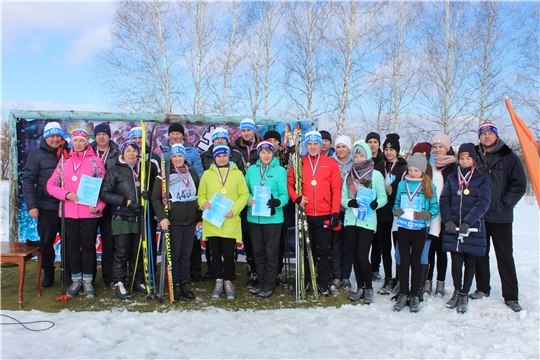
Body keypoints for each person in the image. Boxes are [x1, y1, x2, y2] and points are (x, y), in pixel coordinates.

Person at [471, 121, 527, 312]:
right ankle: (482, 288)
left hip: (501, 216)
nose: (487, 136)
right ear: (479, 136)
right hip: (479, 215)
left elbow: (519, 184)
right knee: (480, 254)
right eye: (483, 133)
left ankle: (511, 296)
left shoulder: (508, 156)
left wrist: (505, 204)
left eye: (490, 133)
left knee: (504, 256)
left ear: (496, 135)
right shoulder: (474, 155)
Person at [46, 128, 106, 298]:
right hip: (69, 212)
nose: (78, 143)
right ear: (71, 142)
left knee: (88, 247)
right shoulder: (64, 161)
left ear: (87, 143)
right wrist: (66, 195)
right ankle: (75, 280)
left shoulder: (96, 162)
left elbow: (105, 188)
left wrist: (100, 205)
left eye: (82, 140)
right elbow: (51, 185)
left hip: (89, 212)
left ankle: (88, 282)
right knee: (72, 247)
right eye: (76, 140)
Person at [287, 130, 343, 296]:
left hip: (324, 214)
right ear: (306, 146)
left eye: (315, 144)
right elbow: (290, 184)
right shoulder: (299, 163)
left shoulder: (330, 163)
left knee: (323, 251)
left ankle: (322, 284)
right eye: (309, 144)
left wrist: (335, 213)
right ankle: (305, 282)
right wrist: (296, 198)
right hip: (305, 214)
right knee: (305, 250)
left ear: (321, 145)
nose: (312, 147)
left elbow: (337, 188)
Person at [440, 143, 491, 314]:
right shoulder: (452, 177)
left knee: (470, 262)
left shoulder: (482, 178)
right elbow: (444, 199)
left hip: (472, 228)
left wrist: (468, 222)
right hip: (454, 227)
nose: (464, 161)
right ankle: (456, 290)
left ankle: (464, 293)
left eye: (468, 158)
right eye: (461, 158)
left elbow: (483, 202)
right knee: (456, 262)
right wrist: (447, 220)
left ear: (474, 160)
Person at [198, 144, 249, 299]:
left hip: (230, 221)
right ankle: (218, 280)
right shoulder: (207, 174)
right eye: (219, 156)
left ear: (229, 157)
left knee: (229, 254)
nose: (221, 158)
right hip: (213, 221)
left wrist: (234, 210)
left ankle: (228, 280)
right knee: (214, 253)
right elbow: (200, 195)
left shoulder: (238, 174)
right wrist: (203, 203)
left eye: (224, 156)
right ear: (214, 158)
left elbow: (244, 195)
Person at [151, 143, 200, 302]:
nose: (178, 159)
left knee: (186, 255)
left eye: (180, 156)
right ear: (170, 158)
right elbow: (156, 198)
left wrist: (199, 217)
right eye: (174, 156)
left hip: (190, 221)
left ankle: (184, 282)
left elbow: (198, 196)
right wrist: (162, 217)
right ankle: (175, 283)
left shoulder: (191, 173)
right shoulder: (163, 175)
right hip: (174, 222)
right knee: (175, 255)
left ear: (184, 157)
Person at [99, 140, 147, 300]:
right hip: (121, 216)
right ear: (122, 153)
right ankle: (119, 281)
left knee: (138, 250)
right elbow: (105, 193)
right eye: (128, 150)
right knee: (121, 251)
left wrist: (147, 193)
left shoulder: (144, 170)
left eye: (134, 150)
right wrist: (125, 201)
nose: (132, 154)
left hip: (139, 215)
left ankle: (137, 280)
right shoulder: (115, 170)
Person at [341, 141, 387, 304]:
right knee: (354, 255)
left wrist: (376, 204)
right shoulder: (349, 175)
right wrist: (349, 203)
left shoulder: (375, 175)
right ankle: (359, 287)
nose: (358, 158)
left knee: (362, 256)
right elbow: (343, 197)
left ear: (367, 156)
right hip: (351, 219)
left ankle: (368, 288)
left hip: (366, 220)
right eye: (356, 155)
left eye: (361, 155)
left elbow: (383, 197)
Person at [392, 154, 439, 312]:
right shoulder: (402, 185)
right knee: (403, 261)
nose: (412, 173)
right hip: (404, 227)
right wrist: (396, 210)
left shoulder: (429, 186)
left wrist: (427, 215)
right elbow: (397, 203)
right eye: (410, 170)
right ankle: (403, 293)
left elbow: (435, 207)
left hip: (419, 228)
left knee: (416, 262)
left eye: (416, 170)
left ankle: (414, 295)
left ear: (423, 171)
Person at [22, 122, 67, 287]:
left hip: (67, 206)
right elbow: (28, 181)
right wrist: (32, 205)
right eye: (51, 136)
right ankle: (48, 273)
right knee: (47, 242)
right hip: (47, 206)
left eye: (58, 136)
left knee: (69, 242)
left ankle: (67, 273)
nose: (55, 139)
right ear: (46, 137)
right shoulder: (36, 155)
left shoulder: (67, 153)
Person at [245, 141, 289, 298]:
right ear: (259, 154)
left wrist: (278, 202)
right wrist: (249, 199)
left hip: (273, 219)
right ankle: (261, 282)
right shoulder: (251, 170)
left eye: (268, 152)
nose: (265, 155)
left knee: (271, 252)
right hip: (254, 218)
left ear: (273, 153)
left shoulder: (280, 171)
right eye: (262, 152)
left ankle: (269, 285)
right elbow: (244, 191)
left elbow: (285, 194)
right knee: (258, 251)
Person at [166, 123, 205, 283]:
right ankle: (175, 281)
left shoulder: (193, 152)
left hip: (190, 214)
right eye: (172, 133)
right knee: (175, 251)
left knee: (189, 250)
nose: (175, 136)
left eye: (178, 133)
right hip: (174, 214)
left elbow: (199, 176)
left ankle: (188, 278)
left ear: (183, 136)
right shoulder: (163, 151)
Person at [424, 133, 457, 296]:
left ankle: (440, 282)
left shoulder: (453, 167)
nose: (437, 150)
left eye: (440, 147)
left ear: (447, 148)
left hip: (446, 215)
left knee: (441, 250)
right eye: (434, 147)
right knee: (429, 249)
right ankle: (428, 280)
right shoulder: (428, 166)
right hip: (430, 215)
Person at [411, 142, 444, 299]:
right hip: (410, 223)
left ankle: (422, 284)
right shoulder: (409, 175)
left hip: (427, 222)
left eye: (422, 156)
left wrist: (434, 229)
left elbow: (435, 204)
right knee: (412, 255)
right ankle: (414, 284)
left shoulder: (435, 175)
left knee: (425, 255)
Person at [376, 134, 407, 295]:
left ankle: (399, 278)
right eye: (386, 149)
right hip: (382, 213)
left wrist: (391, 190)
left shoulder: (403, 167)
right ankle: (388, 278)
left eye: (392, 150)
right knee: (385, 247)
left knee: (398, 248)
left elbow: (406, 191)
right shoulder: (380, 166)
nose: (388, 153)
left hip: (397, 214)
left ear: (397, 151)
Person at [90, 123, 120, 288]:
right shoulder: (88, 151)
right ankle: (90, 277)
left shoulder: (117, 153)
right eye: (98, 134)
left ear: (109, 136)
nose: (101, 137)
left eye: (104, 134)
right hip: (90, 202)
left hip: (109, 203)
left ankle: (109, 276)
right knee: (88, 242)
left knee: (109, 242)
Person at [233, 118, 262, 287]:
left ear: (254, 131)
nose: (246, 133)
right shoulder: (235, 148)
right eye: (243, 130)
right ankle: (252, 267)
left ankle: (259, 269)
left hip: (258, 198)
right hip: (241, 198)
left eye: (249, 130)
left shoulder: (262, 147)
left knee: (255, 236)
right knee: (246, 235)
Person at [329, 135, 354, 291]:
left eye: (344, 147)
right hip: (334, 210)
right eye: (338, 147)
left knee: (348, 245)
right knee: (335, 245)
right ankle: (336, 276)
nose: (340, 150)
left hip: (351, 211)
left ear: (349, 148)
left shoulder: (356, 164)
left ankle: (346, 276)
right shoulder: (331, 163)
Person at [365, 131, 384, 281]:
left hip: (378, 205)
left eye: (375, 142)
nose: (372, 145)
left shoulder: (383, 160)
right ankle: (363, 265)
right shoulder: (362, 159)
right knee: (365, 239)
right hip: (363, 205)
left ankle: (375, 267)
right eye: (370, 142)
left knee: (377, 239)